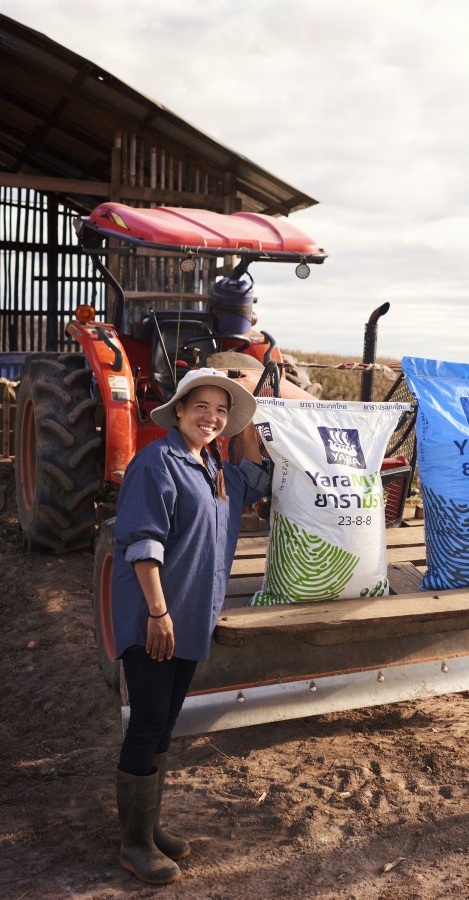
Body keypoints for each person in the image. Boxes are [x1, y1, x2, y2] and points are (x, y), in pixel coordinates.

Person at [110, 367, 270, 884]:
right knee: (148, 723)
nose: (211, 417)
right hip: (156, 619)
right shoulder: (157, 461)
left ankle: (148, 828)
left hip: (188, 620)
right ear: (178, 410)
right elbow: (142, 542)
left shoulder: (212, 465)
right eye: (201, 406)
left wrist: (246, 419)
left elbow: (260, 479)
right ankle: (133, 844)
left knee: (165, 724)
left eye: (222, 411)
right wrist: (157, 612)